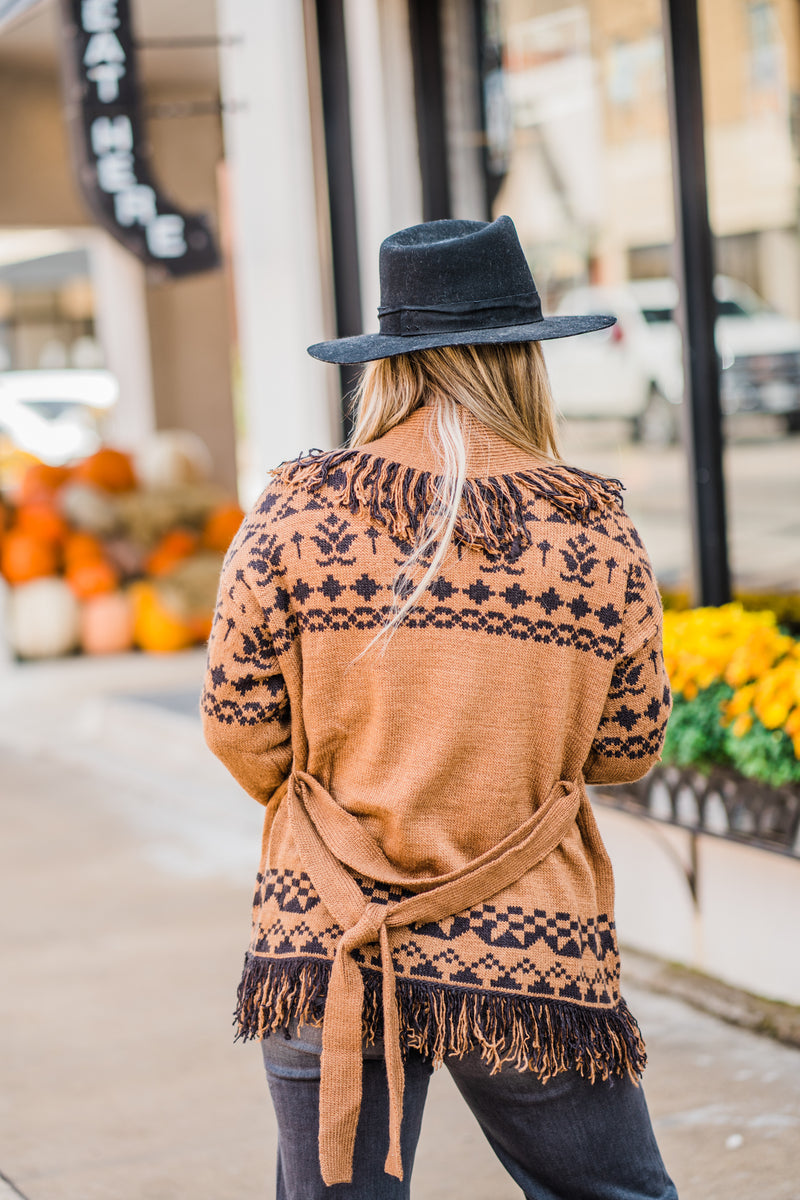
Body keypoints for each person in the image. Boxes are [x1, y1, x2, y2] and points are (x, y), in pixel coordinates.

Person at [201, 215, 678, 1199]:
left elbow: (239, 727)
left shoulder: (294, 511)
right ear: (523, 362)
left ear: (384, 364)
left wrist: (344, 798)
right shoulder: (589, 527)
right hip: (523, 948)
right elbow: (627, 747)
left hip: (326, 935)